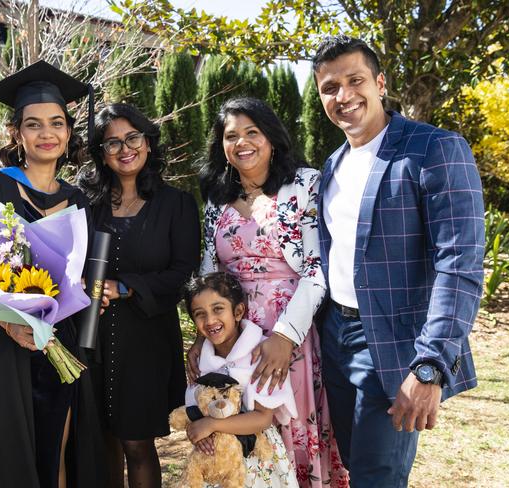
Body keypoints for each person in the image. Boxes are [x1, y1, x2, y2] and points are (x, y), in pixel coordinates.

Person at [312, 35, 485, 487]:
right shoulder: (331, 165)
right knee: (353, 462)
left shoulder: (435, 149)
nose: (343, 96)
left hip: (395, 344)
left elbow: (459, 266)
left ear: (380, 83)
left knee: (377, 476)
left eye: (355, 81)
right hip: (335, 335)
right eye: (330, 87)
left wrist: (429, 364)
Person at [0, 61, 106, 487]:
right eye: (34, 124)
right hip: (1, 346)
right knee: (13, 458)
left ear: (68, 134)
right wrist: (9, 324)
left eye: (56, 123)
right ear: (17, 133)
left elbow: (79, 274)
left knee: (60, 450)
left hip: (60, 341)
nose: (47, 133)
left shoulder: (79, 201)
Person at [189, 97, 349, 487]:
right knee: (242, 440)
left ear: (271, 138)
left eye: (252, 132)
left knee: (289, 431)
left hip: (287, 338)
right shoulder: (215, 200)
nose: (241, 142)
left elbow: (316, 270)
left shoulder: (304, 185)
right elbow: (210, 274)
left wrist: (283, 337)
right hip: (234, 339)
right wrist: (202, 337)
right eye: (231, 136)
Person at [78, 102, 201, 488]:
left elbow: (183, 273)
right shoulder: (86, 203)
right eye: (111, 143)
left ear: (147, 142)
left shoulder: (176, 204)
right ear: (101, 153)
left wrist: (127, 286)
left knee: (137, 443)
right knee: (97, 440)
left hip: (143, 339)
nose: (124, 148)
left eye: (132, 137)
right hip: (88, 337)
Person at [182, 271, 299, 487]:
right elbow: (194, 409)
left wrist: (212, 424)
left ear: (238, 311)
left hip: (256, 456)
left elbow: (263, 418)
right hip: (217, 458)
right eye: (200, 314)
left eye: (218, 309)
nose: (210, 320)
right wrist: (201, 431)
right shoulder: (200, 361)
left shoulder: (260, 354)